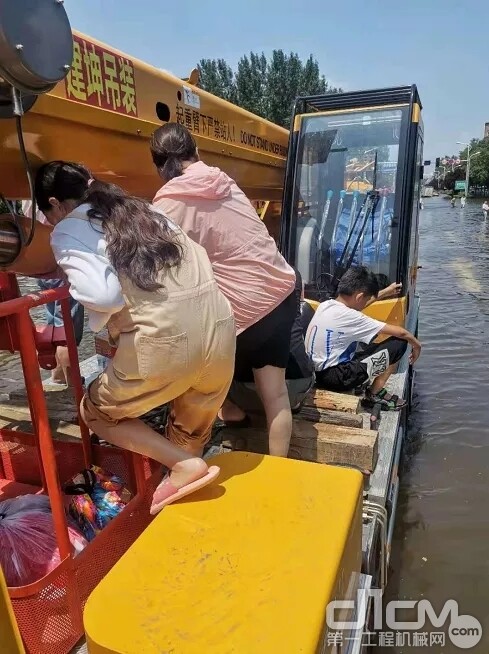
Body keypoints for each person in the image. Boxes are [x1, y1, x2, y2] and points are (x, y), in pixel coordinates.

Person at [34, 161, 236, 514]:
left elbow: (102, 296)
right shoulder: (143, 210)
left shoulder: (68, 227)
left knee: (97, 413)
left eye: (47, 214)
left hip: (165, 343)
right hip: (220, 330)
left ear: (54, 203)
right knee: (186, 434)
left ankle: (185, 467)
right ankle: (179, 486)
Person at [150, 123, 297, 457]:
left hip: (244, 312)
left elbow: (159, 270)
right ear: (197, 151)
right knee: (275, 396)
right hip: (282, 293)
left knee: (188, 359)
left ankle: (217, 420)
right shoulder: (223, 180)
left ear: (159, 166)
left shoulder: (167, 205)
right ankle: (279, 471)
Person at [305, 267, 421, 410]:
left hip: (317, 372)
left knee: (366, 346)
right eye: (365, 298)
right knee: (399, 343)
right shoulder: (351, 317)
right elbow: (401, 333)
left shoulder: (326, 305)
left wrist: (385, 292)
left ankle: (365, 383)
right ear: (359, 297)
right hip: (337, 379)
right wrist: (416, 344)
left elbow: (358, 305)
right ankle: (374, 394)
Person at [222, 269, 314, 422]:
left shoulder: (231, 273)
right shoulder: (291, 273)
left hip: (240, 390)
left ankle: (233, 410)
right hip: (295, 387)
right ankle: (293, 404)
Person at [22, 200, 85, 386]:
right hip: (59, 263)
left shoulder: (28, 197)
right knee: (67, 330)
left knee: (55, 324)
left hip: (40, 265)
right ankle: (73, 386)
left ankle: (57, 376)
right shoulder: (55, 202)